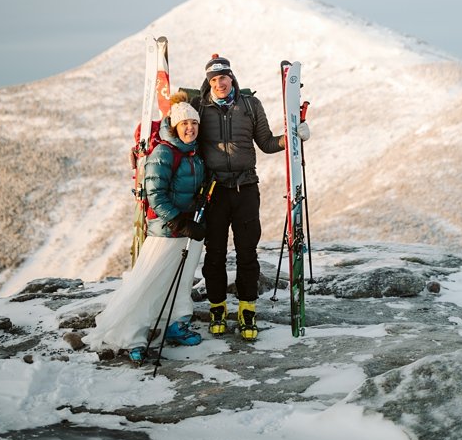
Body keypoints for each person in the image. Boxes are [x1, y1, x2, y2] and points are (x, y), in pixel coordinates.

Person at [193, 54, 309, 341]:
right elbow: (183, 135)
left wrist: (293, 136)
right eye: (213, 79)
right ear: (207, 83)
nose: (219, 83)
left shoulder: (250, 105)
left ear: (232, 78)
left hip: (246, 188)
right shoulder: (199, 107)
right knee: (215, 253)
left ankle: (247, 309)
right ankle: (217, 307)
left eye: (223, 77)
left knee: (247, 253)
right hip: (214, 191)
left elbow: (267, 143)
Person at [91, 93, 208, 361]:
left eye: (194, 123)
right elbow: (155, 194)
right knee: (149, 282)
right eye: (185, 123)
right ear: (175, 126)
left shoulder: (193, 152)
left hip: (190, 228)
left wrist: (196, 207)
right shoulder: (164, 152)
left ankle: (177, 322)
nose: (190, 127)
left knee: (181, 280)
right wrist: (179, 221)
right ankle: (132, 335)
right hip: (167, 231)